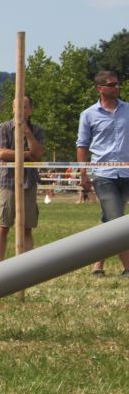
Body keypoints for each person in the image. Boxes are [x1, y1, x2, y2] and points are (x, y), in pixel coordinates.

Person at [77, 70, 129, 277]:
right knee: (117, 219)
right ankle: (128, 267)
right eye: (112, 84)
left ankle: (98, 264)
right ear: (100, 88)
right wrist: (83, 173)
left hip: (126, 173)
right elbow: (82, 145)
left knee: (110, 217)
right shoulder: (88, 114)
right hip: (103, 174)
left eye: (118, 83)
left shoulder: (128, 110)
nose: (117, 87)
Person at [0, 95, 45, 262]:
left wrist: (27, 132)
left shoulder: (37, 130)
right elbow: (1, 153)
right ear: (12, 109)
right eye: (17, 106)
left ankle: (26, 264)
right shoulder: (3, 128)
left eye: (25, 107)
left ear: (30, 110)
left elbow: (38, 153)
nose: (20, 110)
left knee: (26, 228)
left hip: (29, 182)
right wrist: (27, 154)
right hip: (7, 182)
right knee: (3, 225)